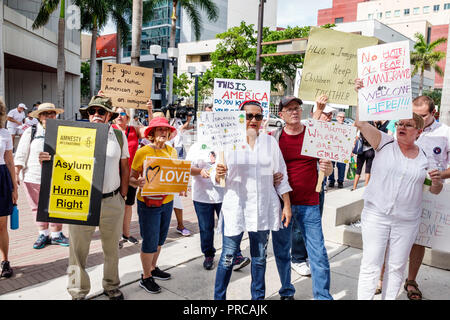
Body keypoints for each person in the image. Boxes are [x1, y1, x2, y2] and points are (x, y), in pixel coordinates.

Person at [354, 79, 443, 300]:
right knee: (371, 265)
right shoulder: (383, 142)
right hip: (376, 215)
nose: (402, 127)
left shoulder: (425, 156)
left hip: (407, 221)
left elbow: (435, 190)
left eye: (408, 125)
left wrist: (438, 181)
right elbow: (361, 123)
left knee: (396, 267)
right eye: (400, 124)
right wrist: (361, 94)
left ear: (419, 133)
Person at [213, 100, 293, 300]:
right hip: (236, 209)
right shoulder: (228, 142)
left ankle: (258, 299)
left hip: (262, 208)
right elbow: (216, 174)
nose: (253, 120)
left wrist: (287, 205)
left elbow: (280, 174)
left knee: (259, 259)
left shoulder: (269, 142)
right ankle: (218, 298)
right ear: (241, 118)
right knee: (228, 258)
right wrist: (218, 172)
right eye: (249, 116)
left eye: (258, 116)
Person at [65, 96, 129, 300]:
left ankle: (111, 286)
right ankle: (77, 291)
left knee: (111, 249)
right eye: (92, 111)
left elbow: (125, 166)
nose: (96, 115)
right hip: (81, 201)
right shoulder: (74, 134)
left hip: (111, 200)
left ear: (109, 115)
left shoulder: (118, 136)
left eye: (101, 112)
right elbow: (60, 162)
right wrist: (45, 159)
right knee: (76, 252)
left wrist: (123, 195)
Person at [272, 96, 334, 300]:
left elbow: (328, 165)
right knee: (282, 251)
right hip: (282, 204)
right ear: (281, 114)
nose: (294, 111)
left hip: (310, 203)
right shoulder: (274, 138)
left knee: (317, 252)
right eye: (289, 109)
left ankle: (323, 296)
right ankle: (286, 291)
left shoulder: (313, 134)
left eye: (297, 108)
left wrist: (328, 168)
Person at [186, 105, 250, 271]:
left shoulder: (229, 144)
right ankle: (208, 254)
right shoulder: (196, 147)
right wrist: (200, 171)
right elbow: (186, 168)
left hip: (225, 194)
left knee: (230, 224)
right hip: (202, 197)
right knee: (206, 228)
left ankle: (234, 254)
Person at [402, 96, 450, 300]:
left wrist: (442, 174)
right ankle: (380, 278)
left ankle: (411, 280)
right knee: (390, 236)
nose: (417, 120)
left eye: (422, 116)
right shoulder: (403, 127)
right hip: (402, 191)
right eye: (413, 115)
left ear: (433, 113)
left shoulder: (446, 133)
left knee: (419, 239)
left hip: (430, 194)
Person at [129, 117, 179, 294]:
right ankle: (145, 277)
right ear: (151, 133)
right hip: (148, 202)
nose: (163, 133)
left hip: (166, 201)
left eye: (166, 130)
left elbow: (176, 175)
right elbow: (131, 178)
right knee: (150, 241)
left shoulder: (172, 152)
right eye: (159, 130)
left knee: (160, 239)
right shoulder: (143, 152)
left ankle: (153, 267)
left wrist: (180, 186)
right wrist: (138, 182)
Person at [14, 103, 70, 249]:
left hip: (56, 177)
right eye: (45, 114)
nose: (49, 116)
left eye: (52, 113)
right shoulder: (30, 132)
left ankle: (57, 235)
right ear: (39, 116)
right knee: (37, 207)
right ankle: (43, 234)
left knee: (57, 206)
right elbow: (20, 155)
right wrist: (16, 173)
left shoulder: (63, 132)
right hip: (33, 177)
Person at [111, 101, 153, 247]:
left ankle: (126, 234)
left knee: (128, 205)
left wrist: (149, 110)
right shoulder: (109, 130)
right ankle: (114, 237)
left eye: (123, 114)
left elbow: (151, 131)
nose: (120, 116)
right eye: (116, 114)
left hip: (131, 175)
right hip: (114, 175)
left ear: (127, 117)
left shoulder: (133, 130)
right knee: (116, 206)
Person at [0, 97, 18, 278]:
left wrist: (15, 187)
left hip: (1, 178)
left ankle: (5, 261)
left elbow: (10, 162)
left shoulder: (4, 133)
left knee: (2, 224)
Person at [168, 112, 193, 237]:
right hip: (158, 178)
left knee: (177, 201)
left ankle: (180, 225)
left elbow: (178, 164)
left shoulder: (172, 138)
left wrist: (182, 183)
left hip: (171, 175)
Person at [351, 124, 375, 191]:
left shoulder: (360, 131)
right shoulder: (372, 131)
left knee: (358, 169)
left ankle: (354, 187)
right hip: (370, 151)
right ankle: (366, 186)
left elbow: (356, 141)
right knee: (368, 170)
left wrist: (353, 150)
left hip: (361, 152)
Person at [328, 111, 347, 188]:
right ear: (336, 118)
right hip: (332, 149)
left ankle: (340, 181)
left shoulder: (347, 127)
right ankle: (331, 181)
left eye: (343, 117)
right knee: (331, 165)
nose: (341, 118)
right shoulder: (332, 126)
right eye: (340, 117)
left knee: (341, 166)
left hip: (342, 150)